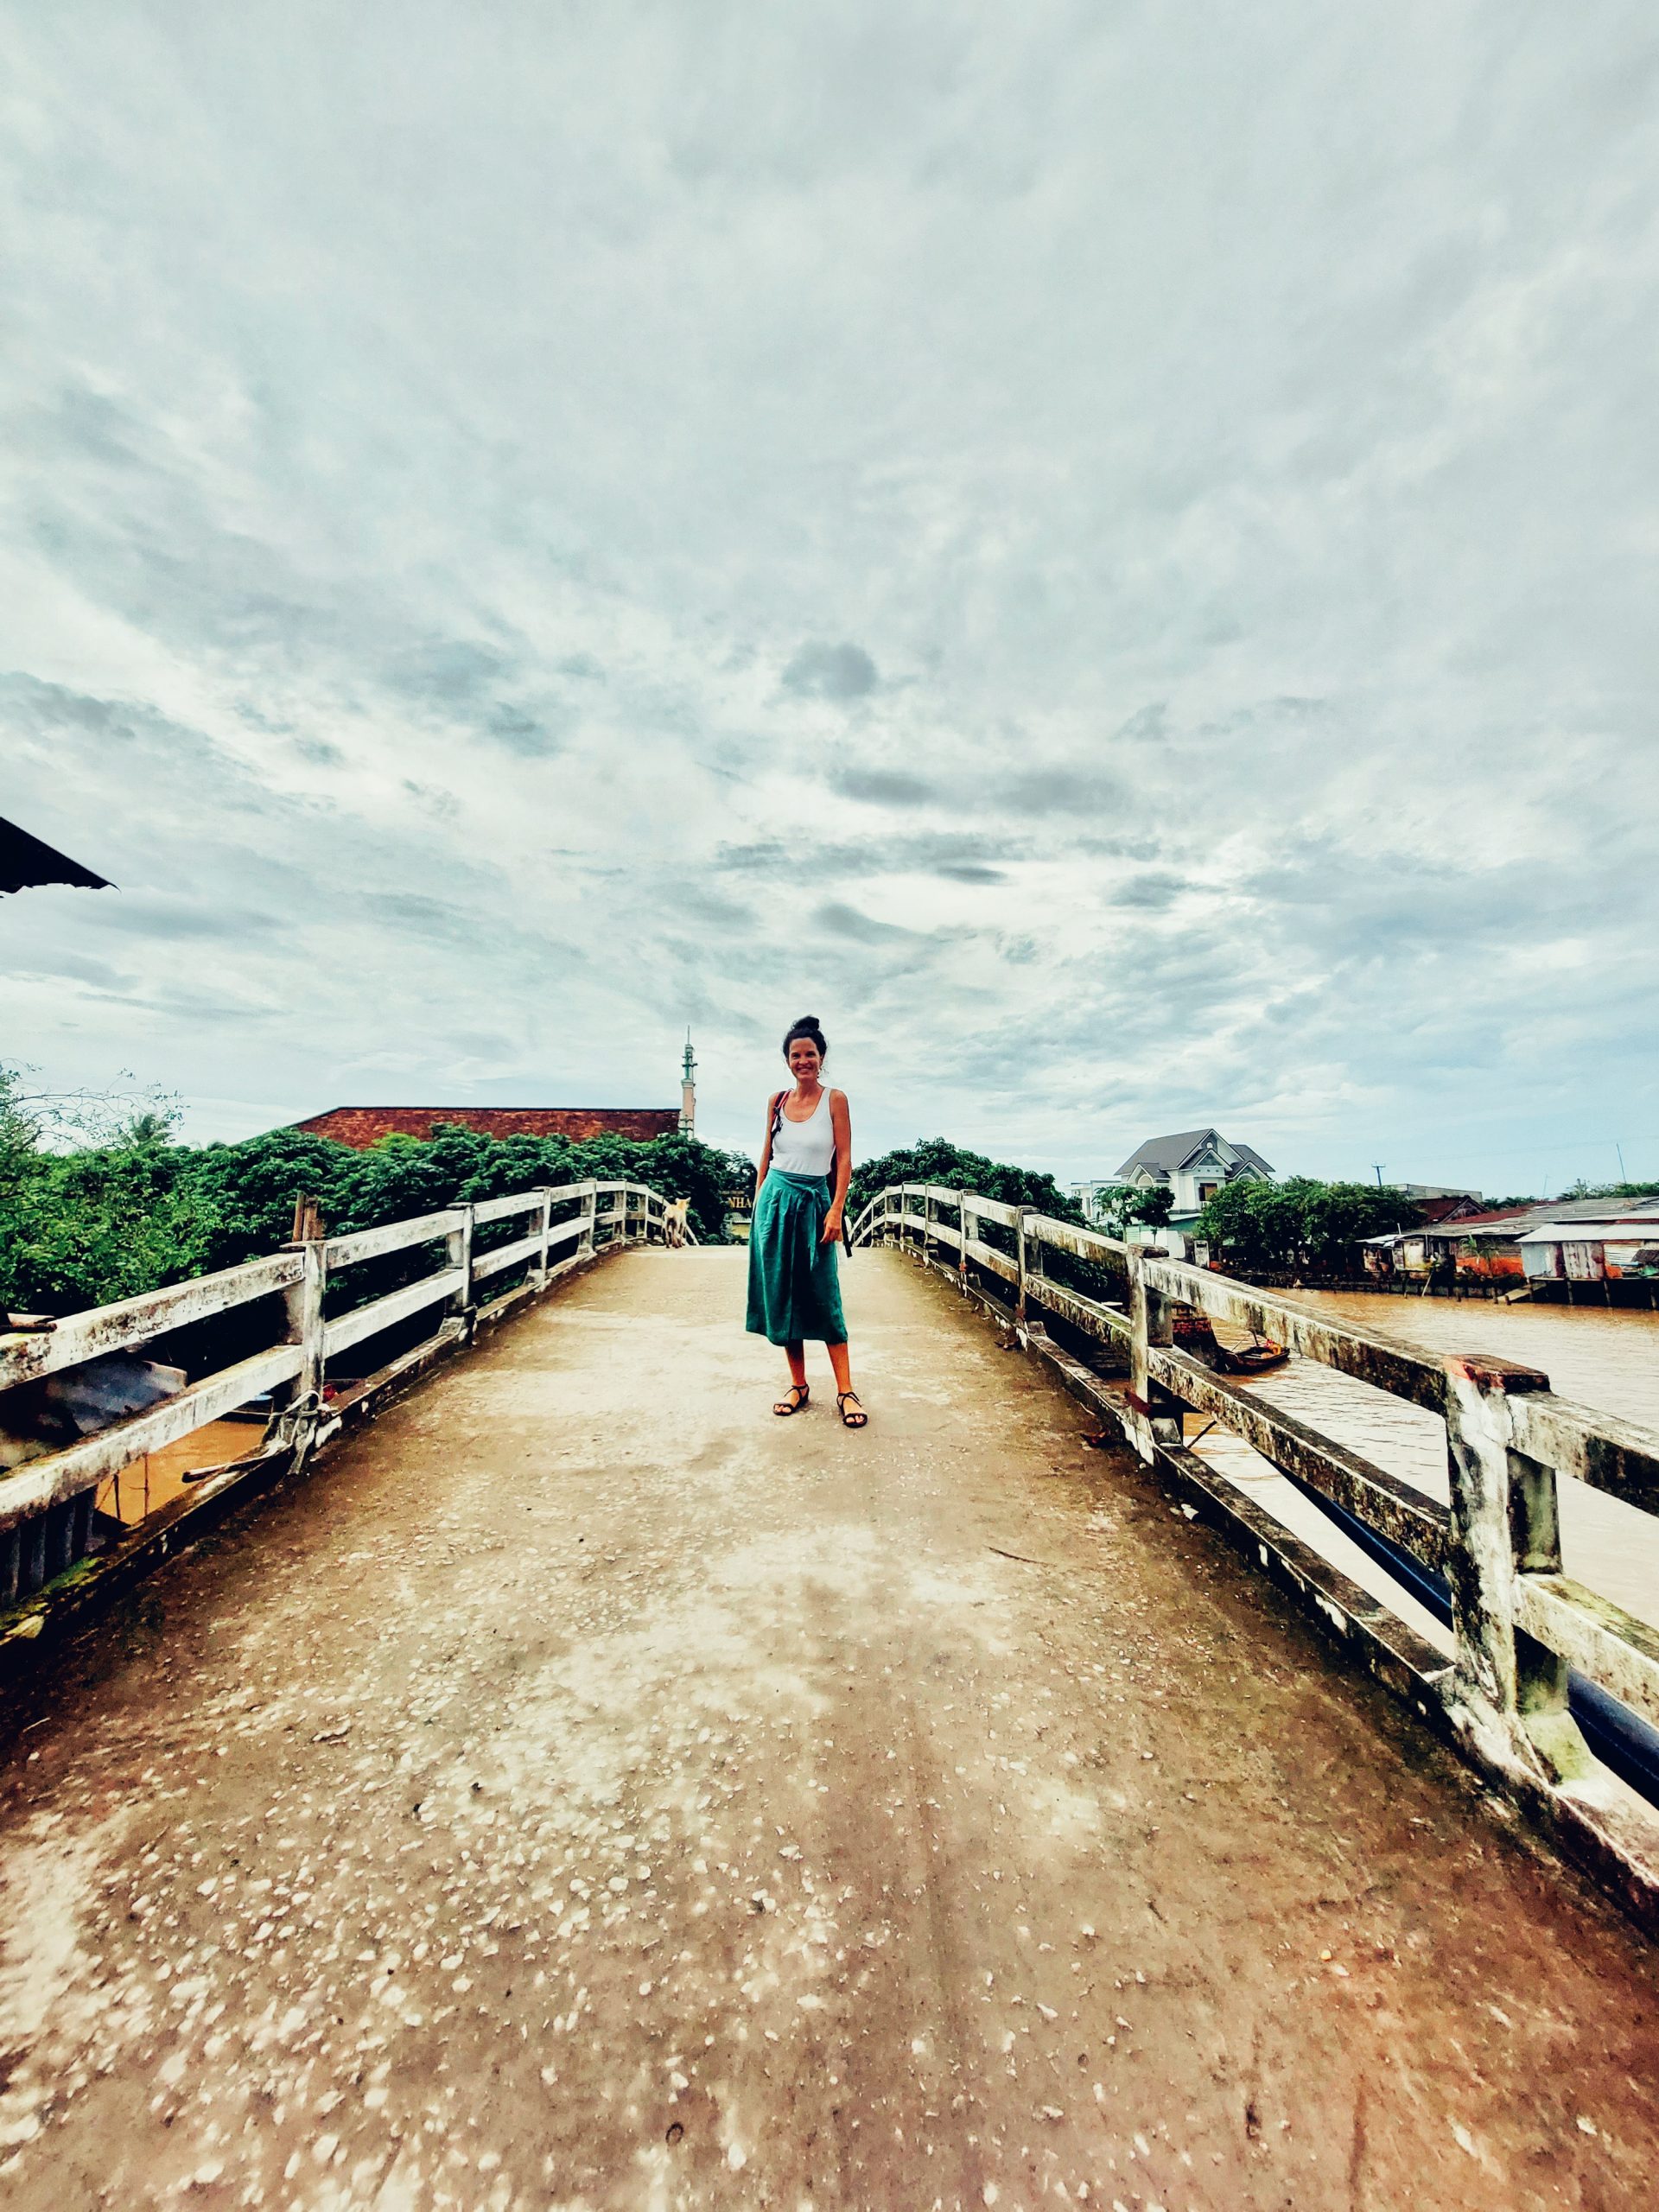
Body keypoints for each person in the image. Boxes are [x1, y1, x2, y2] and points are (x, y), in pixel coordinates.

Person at [746, 1015, 868, 1427]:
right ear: (787, 1061)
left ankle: (846, 1391)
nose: (803, 1061)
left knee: (823, 1293)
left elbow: (845, 1158)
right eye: (796, 1055)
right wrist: (759, 1201)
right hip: (774, 1202)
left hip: (815, 1201)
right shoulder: (777, 1101)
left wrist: (836, 1209)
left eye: (810, 1054)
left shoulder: (835, 1099)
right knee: (782, 1292)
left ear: (821, 1058)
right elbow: (766, 1154)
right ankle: (798, 1385)